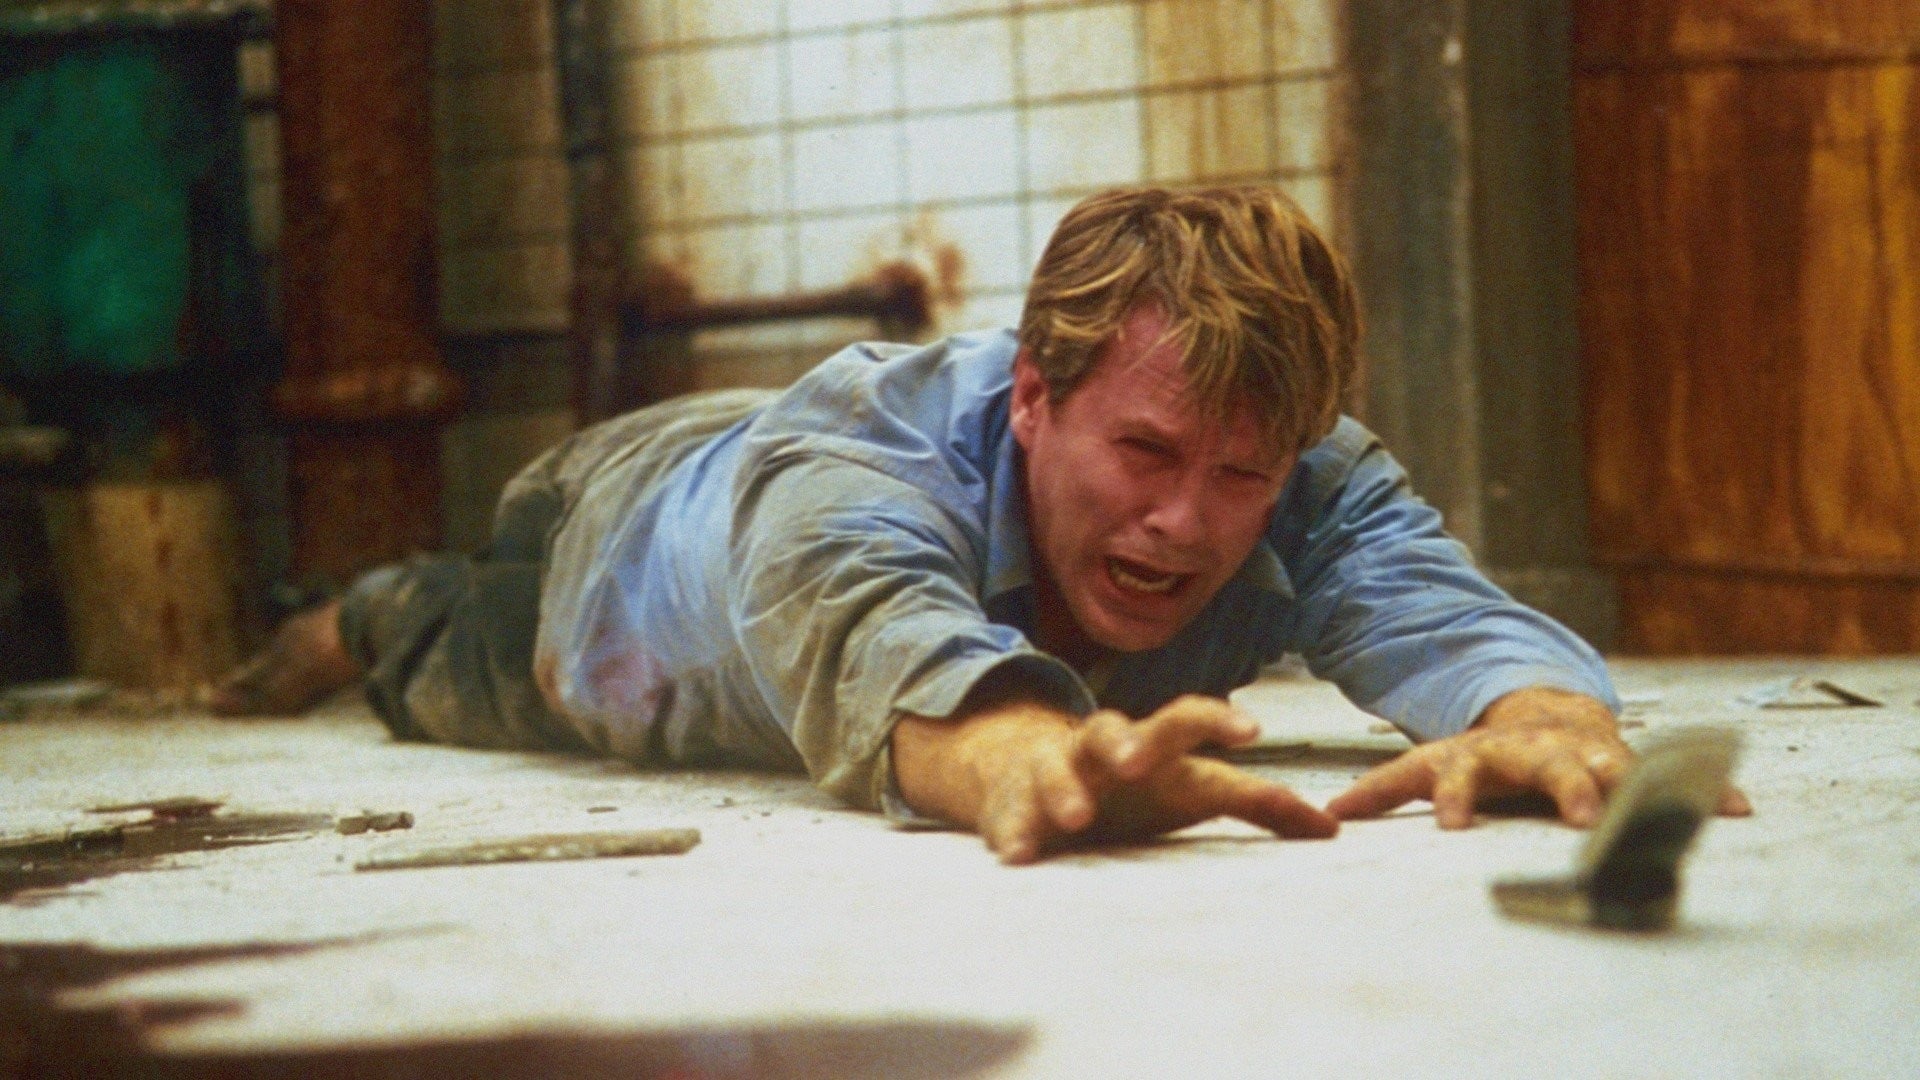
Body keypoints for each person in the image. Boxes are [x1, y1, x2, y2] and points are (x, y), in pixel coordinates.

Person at [214, 185, 1746, 863]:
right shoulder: (858, 471)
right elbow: (896, 657)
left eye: (1241, 474)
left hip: (773, 466)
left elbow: (1443, 608)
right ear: (1033, 395)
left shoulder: (1298, 466)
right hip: (613, 536)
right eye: (1143, 451)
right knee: (449, 648)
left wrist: (1544, 724)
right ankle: (353, 615)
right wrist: (1033, 761)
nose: (1184, 520)